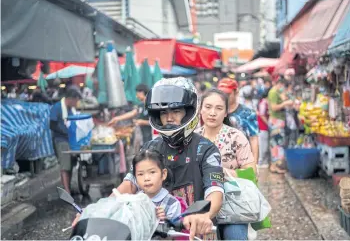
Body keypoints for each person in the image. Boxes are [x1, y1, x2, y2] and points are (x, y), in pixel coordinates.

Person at [73, 78, 224, 240]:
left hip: (195, 231)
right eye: (164, 113)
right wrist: (99, 211)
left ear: (189, 112)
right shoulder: (149, 148)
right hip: (151, 231)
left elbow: (215, 191)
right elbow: (129, 184)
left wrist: (204, 215)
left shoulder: (206, 149)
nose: (170, 118)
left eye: (176, 111)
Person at [196, 88, 257, 240]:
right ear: (200, 110)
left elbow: (252, 173)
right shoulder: (192, 138)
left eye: (219, 108)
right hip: (200, 206)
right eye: (208, 107)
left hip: (232, 205)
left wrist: (221, 173)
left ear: (225, 113)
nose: (212, 113)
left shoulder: (236, 137)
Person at [217, 78, 259, 166]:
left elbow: (253, 139)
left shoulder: (248, 113)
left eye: (228, 94)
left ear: (236, 92)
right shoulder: (215, 112)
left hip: (242, 161)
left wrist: (254, 164)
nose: (224, 96)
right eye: (221, 94)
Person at [132, 148, 182, 222]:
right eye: (140, 174)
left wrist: (164, 220)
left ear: (164, 174)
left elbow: (176, 230)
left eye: (152, 172)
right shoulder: (134, 201)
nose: (146, 178)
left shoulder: (172, 204)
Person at [50, 86, 82, 193]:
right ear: (70, 99)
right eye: (76, 100)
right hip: (61, 140)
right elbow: (52, 125)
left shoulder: (71, 109)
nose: (77, 103)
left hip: (71, 140)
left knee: (71, 163)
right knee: (65, 165)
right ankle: (66, 191)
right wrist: (64, 132)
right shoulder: (57, 107)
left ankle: (68, 186)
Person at [267, 78, 294, 174]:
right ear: (280, 84)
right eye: (283, 86)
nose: (283, 88)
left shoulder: (276, 92)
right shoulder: (273, 92)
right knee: (276, 144)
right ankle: (274, 166)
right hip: (276, 121)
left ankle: (275, 165)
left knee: (277, 143)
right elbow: (274, 107)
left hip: (278, 121)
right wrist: (285, 103)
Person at [257, 89, 270, 168]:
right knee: (263, 145)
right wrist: (268, 124)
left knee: (264, 144)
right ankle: (261, 162)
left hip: (263, 127)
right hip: (262, 127)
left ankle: (263, 161)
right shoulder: (263, 103)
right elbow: (262, 115)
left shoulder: (263, 102)